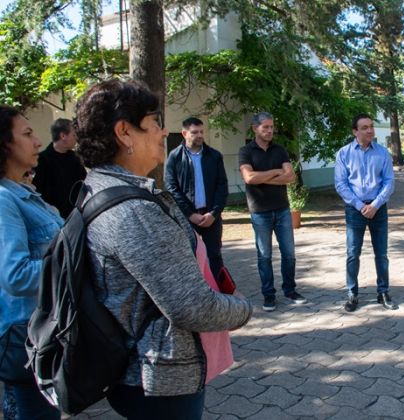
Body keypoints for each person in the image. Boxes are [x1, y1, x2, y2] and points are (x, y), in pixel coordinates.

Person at [73, 80, 253, 419]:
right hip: (158, 379)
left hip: (139, 371)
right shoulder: (133, 211)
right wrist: (242, 308)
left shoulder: (101, 186)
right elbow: (192, 307)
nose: (163, 131)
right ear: (124, 132)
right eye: (154, 122)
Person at [0, 105, 63, 419]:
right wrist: (72, 269)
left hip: (39, 335)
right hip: (23, 339)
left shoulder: (22, 192)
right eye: (27, 134)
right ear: (4, 144)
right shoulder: (3, 199)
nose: (38, 141)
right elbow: (15, 276)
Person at [238, 112, 306, 312]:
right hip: (260, 211)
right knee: (264, 256)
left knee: (289, 254)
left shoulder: (280, 150)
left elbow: (291, 177)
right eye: (265, 127)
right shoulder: (246, 151)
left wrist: (263, 177)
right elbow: (249, 178)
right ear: (255, 128)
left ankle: (290, 290)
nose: (269, 131)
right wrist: (276, 172)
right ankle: (269, 295)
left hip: (283, 210)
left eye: (271, 127)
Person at [334, 113, 396, 312]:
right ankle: (352, 294)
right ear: (355, 131)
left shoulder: (382, 153)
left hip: (378, 209)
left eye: (371, 126)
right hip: (355, 210)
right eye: (364, 127)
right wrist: (361, 206)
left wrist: (375, 205)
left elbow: (389, 182)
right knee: (353, 254)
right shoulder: (343, 154)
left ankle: (383, 292)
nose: (369, 130)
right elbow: (341, 184)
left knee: (382, 254)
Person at [165, 117, 228, 277]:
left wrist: (214, 213)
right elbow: (172, 189)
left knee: (214, 256)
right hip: (187, 218)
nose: (200, 135)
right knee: (189, 257)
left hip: (211, 217)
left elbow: (222, 187)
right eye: (195, 132)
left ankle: (220, 294)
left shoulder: (214, 156)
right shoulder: (174, 157)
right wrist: (190, 214)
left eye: (201, 131)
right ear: (184, 133)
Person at [32, 117, 87, 217]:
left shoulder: (76, 159)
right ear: (63, 136)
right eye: (74, 135)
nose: (76, 139)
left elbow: (84, 183)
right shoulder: (41, 160)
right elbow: (37, 192)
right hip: (53, 218)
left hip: (76, 216)